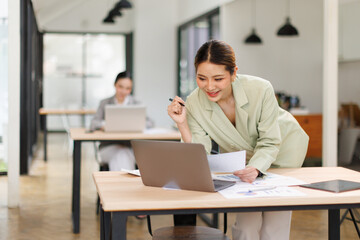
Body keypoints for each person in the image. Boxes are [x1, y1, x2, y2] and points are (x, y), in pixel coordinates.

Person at [167, 40, 309, 240]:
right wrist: (182, 123)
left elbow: (270, 142)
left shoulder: (261, 89)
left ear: (233, 73)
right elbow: (199, 153)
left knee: (274, 224)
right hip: (244, 161)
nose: (209, 86)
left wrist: (257, 167)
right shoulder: (194, 102)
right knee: (246, 224)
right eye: (201, 78)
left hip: (283, 149)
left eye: (218, 78)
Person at [90, 71, 153, 172]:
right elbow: (93, 123)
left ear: (130, 90)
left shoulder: (136, 103)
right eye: (120, 86)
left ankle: (118, 187)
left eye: (127, 88)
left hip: (130, 147)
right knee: (122, 154)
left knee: (123, 154)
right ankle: (128, 186)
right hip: (108, 147)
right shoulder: (105, 103)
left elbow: (150, 122)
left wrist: (136, 125)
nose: (123, 91)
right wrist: (105, 125)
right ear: (115, 85)